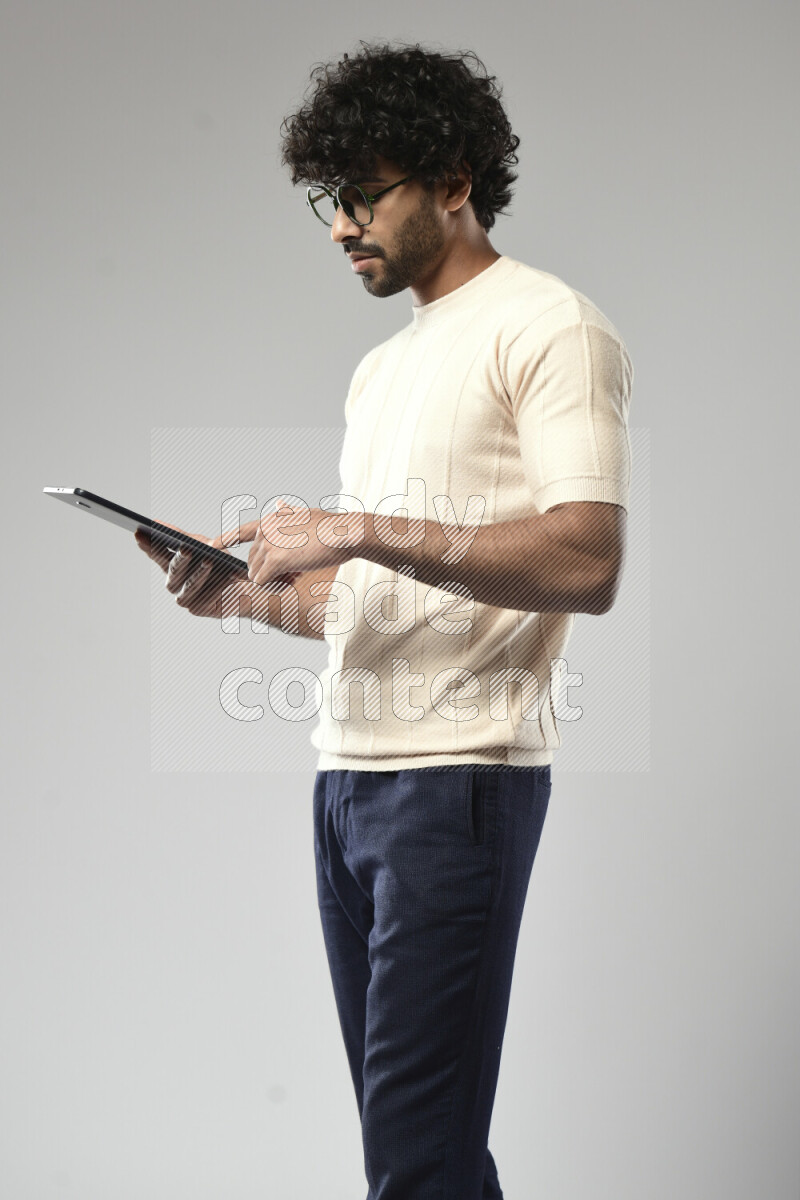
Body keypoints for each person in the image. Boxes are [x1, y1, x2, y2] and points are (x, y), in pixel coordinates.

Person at [136, 40, 634, 1200]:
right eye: (331, 198)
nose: (338, 224)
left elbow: (587, 557)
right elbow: (367, 605)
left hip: (457, 784)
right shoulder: (381, 369)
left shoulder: (551, 328)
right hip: (346, 785)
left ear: (452, 180)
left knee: (415, 1159)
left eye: (365, 194)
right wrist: (246, 596)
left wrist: (359, 527)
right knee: (425, 1152)